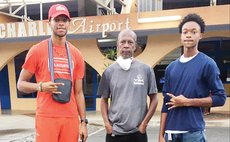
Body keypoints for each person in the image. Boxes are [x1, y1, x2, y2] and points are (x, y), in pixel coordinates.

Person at [17, 4, 88, 142]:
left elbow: (78, 93)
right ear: (49, 22)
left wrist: (83, 122)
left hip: (70, 118)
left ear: (69, 23)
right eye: (57, 20)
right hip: (46, 118)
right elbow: (20, 84)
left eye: (64, 20)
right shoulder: (37, 50)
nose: (61, 23)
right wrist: (40, 86)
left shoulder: (77, 54)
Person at [158, 13, 227, 142]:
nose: (188, 35)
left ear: (200, 35)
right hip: (170, 133)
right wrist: (161, 135)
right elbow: (165, 103)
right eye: (185, 32)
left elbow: (220, 98)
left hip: (193, 133)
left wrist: (187, 102)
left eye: (193, 32)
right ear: (181, 36)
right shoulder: (171, 68)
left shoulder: (207, 64)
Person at [97, 29, 158, 142]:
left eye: (130, 42)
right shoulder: (109, 72)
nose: (126, 45)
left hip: (137, 133)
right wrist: (107, 125)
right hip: (114, 133)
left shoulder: (146, 70)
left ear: (135, 46)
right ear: (117, 45)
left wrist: (144, 124)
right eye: (123, 42)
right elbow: (104, 100)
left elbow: (154, 99)